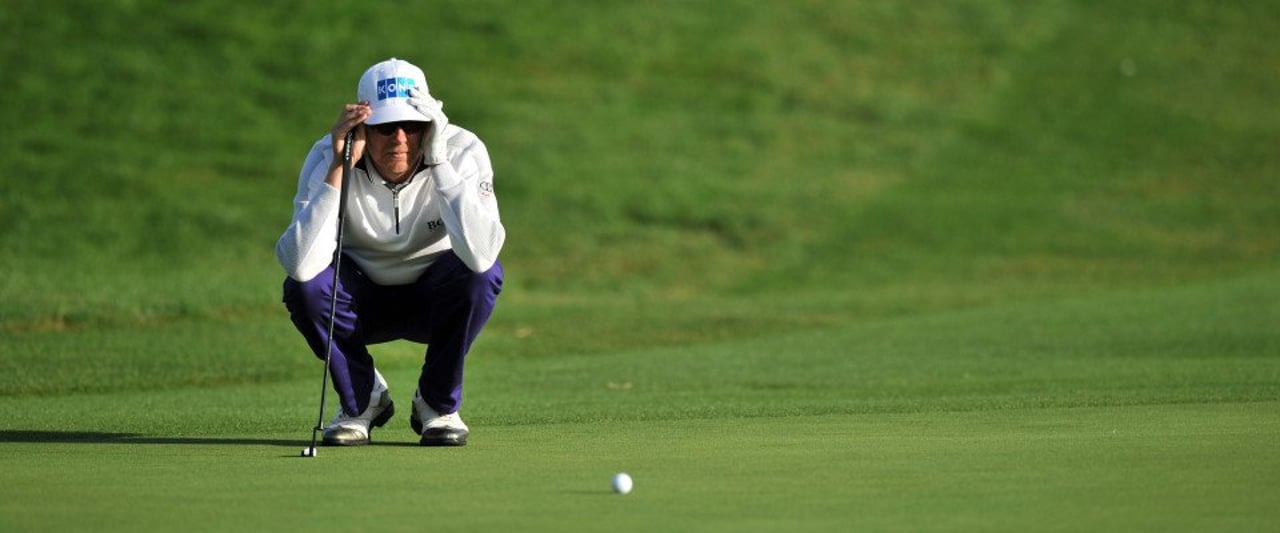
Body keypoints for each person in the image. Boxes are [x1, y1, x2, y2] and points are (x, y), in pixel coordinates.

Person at [276, 58, 505, 447]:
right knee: (305, 288)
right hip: (359, 303)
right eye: (385, 127)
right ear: (361, 128)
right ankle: (362, 401)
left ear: (430, 127)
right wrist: (339, 167)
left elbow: (483, 257)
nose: (400, 138)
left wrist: (438, 161)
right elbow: (300, 265)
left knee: (479, 275)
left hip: (435, 301)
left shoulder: (463, 150)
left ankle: (437, 406)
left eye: (413, 126)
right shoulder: (326, 156)